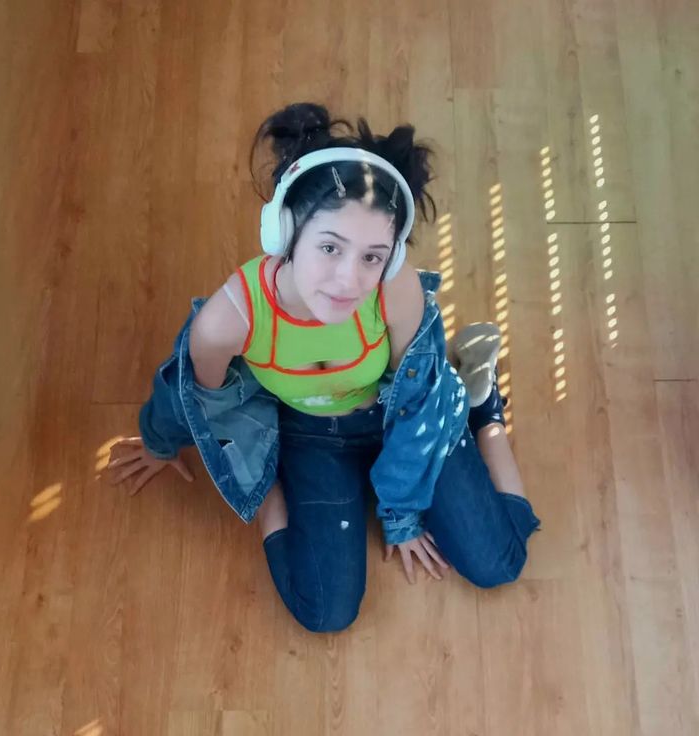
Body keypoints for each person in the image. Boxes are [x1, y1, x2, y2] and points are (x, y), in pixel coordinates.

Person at [107, 103, 540, 633]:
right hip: (310, 436)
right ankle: (286, 487)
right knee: (326, 611)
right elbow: (195, 396)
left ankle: (482, 407)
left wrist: (401, 512)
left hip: (396, 415)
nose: (348, 280)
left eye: (372, 256)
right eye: (330, 246)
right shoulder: (229, 320)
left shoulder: (394, 288)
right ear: (284, 233)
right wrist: (160, 444)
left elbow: (419, 399)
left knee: (499, 564)